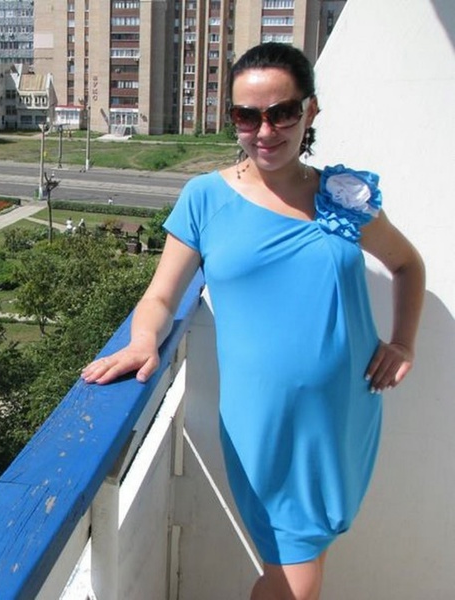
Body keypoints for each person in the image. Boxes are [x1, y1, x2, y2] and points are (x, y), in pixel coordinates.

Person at [81, 42, 425, 600]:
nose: (264, 131)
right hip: (264, 427)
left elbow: (407, 264)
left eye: (282, 112)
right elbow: (161, 297)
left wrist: (404, 343)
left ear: (310, 110)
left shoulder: (344, 198)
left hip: (342, 417)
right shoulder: (205, 198)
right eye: (246, 116)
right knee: (297, 583)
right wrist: (144, 340)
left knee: (303, 570)